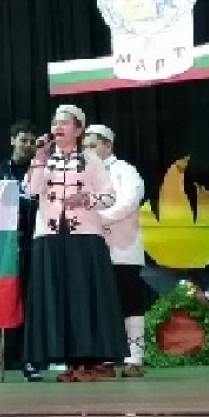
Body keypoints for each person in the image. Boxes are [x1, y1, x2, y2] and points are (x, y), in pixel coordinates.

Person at [22, 105, 128, 382]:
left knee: (84, 297)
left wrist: (87, 199)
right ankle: (69, 361)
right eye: (55, 123)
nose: (58, 128)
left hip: (85, 236)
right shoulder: (43, 160)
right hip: (49, 237)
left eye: (65, 123)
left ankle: (90, 361)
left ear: (78, 130)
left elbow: (110, 196)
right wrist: (39, 159)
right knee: (58, 298)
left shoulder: (91, 161)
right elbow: (31, 190)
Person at [84, 124, 146, 378]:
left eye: (93, 145)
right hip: (94, 250)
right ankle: (106, 359)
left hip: (123, 248)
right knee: (103, 305)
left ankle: (135, 359)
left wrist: (97, 219)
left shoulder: (125, 170)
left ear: (108, 145)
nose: (87, 151)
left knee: (129, 302)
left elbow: (129, 202)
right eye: (84, 146)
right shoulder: (87, 174)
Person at [0, 120, 43, 381]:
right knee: (8, 299)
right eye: (23, 140)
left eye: (32, 141)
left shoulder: (41, 170)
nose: (28, 145)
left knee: (33, 302)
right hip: (6, 245)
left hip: (37, 242)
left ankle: (31, 358)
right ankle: (5, 357)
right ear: (12, 140)